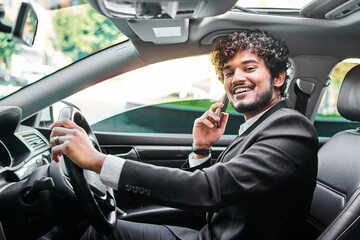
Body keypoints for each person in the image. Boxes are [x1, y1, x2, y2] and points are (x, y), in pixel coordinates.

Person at [50, 30, 318, 239]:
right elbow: (216, 195)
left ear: (279, 78)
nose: (236, 78)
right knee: (109, 229)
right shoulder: (260, 125)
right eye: (228, 72)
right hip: (211, 234)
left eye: (249, 68)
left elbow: (208, 190)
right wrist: (201, 149)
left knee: (99, 233)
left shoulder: (291, 128)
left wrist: (98, 161)